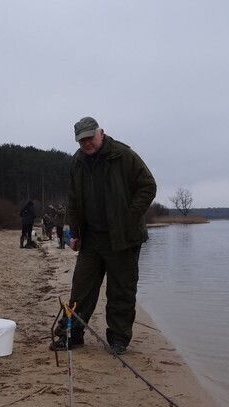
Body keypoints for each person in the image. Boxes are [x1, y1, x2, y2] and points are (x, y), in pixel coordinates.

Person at [50, 116, 157, 355]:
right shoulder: (77, 161)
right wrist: (73, 233)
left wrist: (128, 216)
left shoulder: (123, 155)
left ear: (101, 133)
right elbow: (74, 200)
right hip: (91, 238)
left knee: (121, 291)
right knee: (81, 289)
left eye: (90, 138)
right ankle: (71, 334)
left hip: (123, 238)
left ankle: (118, 339)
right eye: (81, 140)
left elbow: (148, 186)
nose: (86, 143)